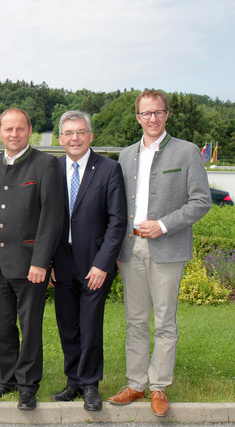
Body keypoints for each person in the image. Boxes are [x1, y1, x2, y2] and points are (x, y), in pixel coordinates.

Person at [108, 90, 211, 417]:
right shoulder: (126, 155)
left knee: (165, 320)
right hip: (130, 247)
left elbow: (201, 201)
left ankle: (158, 387)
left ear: (167, 115)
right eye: (146, 113)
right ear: (138, 116)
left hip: (166, 247)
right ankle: (136, 383)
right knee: (135, 320)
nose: (153, 118)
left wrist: (164, 225)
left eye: (158, 112)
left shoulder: (187, 152)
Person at [0, 108, 63, 410]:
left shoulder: (46, 164)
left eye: (20, 129)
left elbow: (51, 218)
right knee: (0, 327)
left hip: (30, 266)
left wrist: (41, 262)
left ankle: (28, 386)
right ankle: (7, 380)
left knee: (30, 328)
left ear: (30, 131)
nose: (14, 134)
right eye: (8, 129)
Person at [50, 111, 127, 411]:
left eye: (81, 132)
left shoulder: (109, 169)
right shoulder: (52, 169)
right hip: (61, 261)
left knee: (90, 324)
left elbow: (117, 221)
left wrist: (103, 264)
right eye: (68, 133)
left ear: (91, 136)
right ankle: (73, 381)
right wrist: (48, 261)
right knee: (67, 323)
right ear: (60, 139)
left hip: (95, 262)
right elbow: (45, 220)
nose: (75, 138)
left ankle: (91, 385)